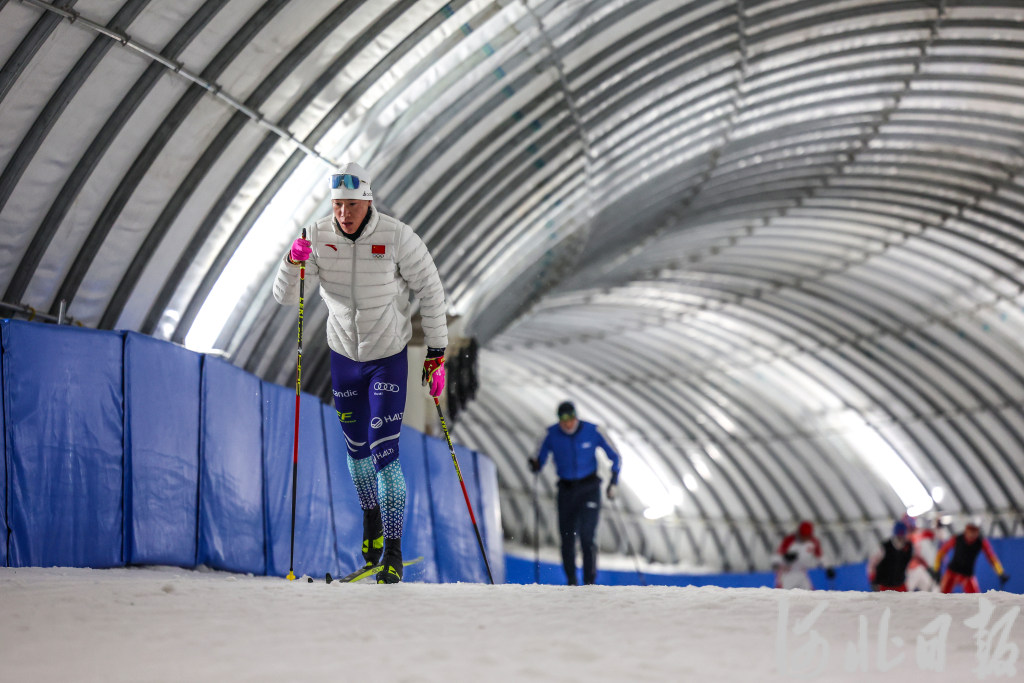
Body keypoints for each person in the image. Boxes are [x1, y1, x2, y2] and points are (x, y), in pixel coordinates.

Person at [273, 162, 447, 584]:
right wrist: (291, 262)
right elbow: (284, 296)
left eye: (351, 205)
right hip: (343, 358)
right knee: (357, 453)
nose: (343, 214)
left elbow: (430, 287)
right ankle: (370, 520)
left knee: (384, 452)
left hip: (387, 355)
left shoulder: (397, 236)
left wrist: (437, 353)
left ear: (366, 201)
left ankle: (392, 550)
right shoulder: (316, 236)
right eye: (337, 205)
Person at [528, 401, 622, 586]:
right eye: (563, 421)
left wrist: (614, 482)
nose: (567, 424)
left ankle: (589, 582)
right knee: (568, 539)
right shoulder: (550, 434)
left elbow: (616, 457)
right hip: (566, 490)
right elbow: (538, 457)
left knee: (587, 537)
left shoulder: (593, 431)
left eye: (570, 419)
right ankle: (571, 581)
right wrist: (535, 464)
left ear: (575, 417)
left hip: (589, 488)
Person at [933, 519, 1009, 593]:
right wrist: (936, 570)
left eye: (975, 531)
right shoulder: (957, 539)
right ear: (966, 530)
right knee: (942, 594)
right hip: (952, 571)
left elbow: (992, 558)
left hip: (967, 574)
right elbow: (941, 553)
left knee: (976, 597)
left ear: (978, 531)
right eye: (970, 531)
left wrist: (1000, 572)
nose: (972, 534)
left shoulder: (981, 542)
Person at [866, 521, 934, 592]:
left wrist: (928, 569)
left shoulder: (910, 547)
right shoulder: (885, 547)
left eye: (902, 536)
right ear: (895, 535)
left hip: (900, 586)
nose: (901, 538)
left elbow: (918, 558)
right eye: (899, 536)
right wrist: (872, 579)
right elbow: (872, 564)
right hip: (884, 586)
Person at [772, 520, 836, 590]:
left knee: (810, 594)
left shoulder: (813, 542)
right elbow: (777, 557)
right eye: (803, 535)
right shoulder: (789, 540)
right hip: (787, 573)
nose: (805, 538)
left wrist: (828, 567)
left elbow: (820, 556)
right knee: (782, 593)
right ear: (799, 533)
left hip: (801, 572)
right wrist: (785, 558)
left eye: (807, 536)